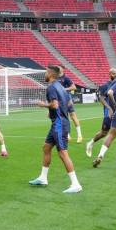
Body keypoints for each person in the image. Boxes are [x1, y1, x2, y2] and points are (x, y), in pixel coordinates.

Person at [28, 65, 82, 194]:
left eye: (46, 72)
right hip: (57, 122)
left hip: (59, 124)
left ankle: (76, 184)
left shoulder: (52, 87)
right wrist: (53, 112)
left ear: (51, 74)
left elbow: (55, 104)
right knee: (46, 147)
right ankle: (43, 178)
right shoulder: (60, 87)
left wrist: (44, 105)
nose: (45, 74)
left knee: (62, 152)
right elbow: (68, 103)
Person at [86, 68, 116, 158]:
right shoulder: (105, 86)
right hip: (108, 113)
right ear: (109, 74)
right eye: (114, 73)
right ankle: (90, 143)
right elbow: (102, 99)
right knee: (104, 133)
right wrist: (109, 108)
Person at [57, 67, 83, 143]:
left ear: (62, 70)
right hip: (60, 101)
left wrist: (64, 89)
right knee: (63, 117)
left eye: (58, 68)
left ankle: (79, 136)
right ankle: (67, 136)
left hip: (68, 100)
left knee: (73, 116)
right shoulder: (56, 78)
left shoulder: (66, 78)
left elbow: (74, 87)